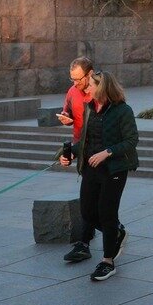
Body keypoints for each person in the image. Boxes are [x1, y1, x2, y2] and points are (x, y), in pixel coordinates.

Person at [58, 70, 138, 281]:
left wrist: (107, 152)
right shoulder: (89, 109)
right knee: (87, 212)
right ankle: (116, 233)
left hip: (114, 170)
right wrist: (67, 155)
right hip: (90, 170)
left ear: (102, 87)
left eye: (91, 85)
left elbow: (131, 141)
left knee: (107, 214)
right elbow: (85, 141)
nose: (87, 89)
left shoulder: (123, 111)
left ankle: (108, 261)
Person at [57, 57, 99, 264]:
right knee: (89, 200)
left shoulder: (101, 91)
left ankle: (99, 236)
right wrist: (65, 117)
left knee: (94, 201)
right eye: (72, 79)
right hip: (81, 148)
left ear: (90, 74)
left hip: (100, 151)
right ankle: (85, 242)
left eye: (78, 79)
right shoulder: (72, 91)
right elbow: (68, 110)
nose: (75, 83)